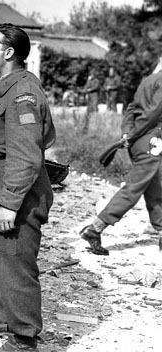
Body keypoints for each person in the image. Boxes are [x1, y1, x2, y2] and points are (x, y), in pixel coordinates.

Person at [0, 24, 55, 352]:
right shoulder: (4, 86)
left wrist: (9, 203)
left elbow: (26, 154)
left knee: (16, 263)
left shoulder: (21, 94)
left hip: (17, 185)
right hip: (1, 180)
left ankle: (24, 337)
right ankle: (3, 317)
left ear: (8, 53)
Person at [80, 70, 162, 256]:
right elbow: (153, 114)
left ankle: (160, 229)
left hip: (140, 141)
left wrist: (127, 133)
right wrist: (132, 136)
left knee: (154, 186)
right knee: (133, 189)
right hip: (152, 141)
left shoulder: (148, 79)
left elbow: (132, 108)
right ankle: (95, 228)